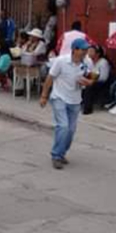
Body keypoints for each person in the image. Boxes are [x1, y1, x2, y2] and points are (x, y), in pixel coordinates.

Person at [40, 39, 94, 169]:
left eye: (86, 50)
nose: (85, 52)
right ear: (74, 49)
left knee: (70, 130)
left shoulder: (88, 62)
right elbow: (50, 78)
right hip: (59, 97)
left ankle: (62, 152)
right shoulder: (61, 61)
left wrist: (89, 82)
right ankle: (56, 155)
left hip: (75, 100)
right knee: (63, 126)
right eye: (82, 50)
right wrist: (44, 96)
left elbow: (91, 77)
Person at [83, 45, 110, 115]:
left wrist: (92, 80)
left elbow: (103, 77)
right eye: (88, 51)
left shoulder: (103, 62)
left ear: (97, 54)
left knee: (89, 87)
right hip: (91, 79)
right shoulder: (89, 61)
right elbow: (87, 72)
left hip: (101, 83)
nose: (89, 52)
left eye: (91, 51)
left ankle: (87, 108)